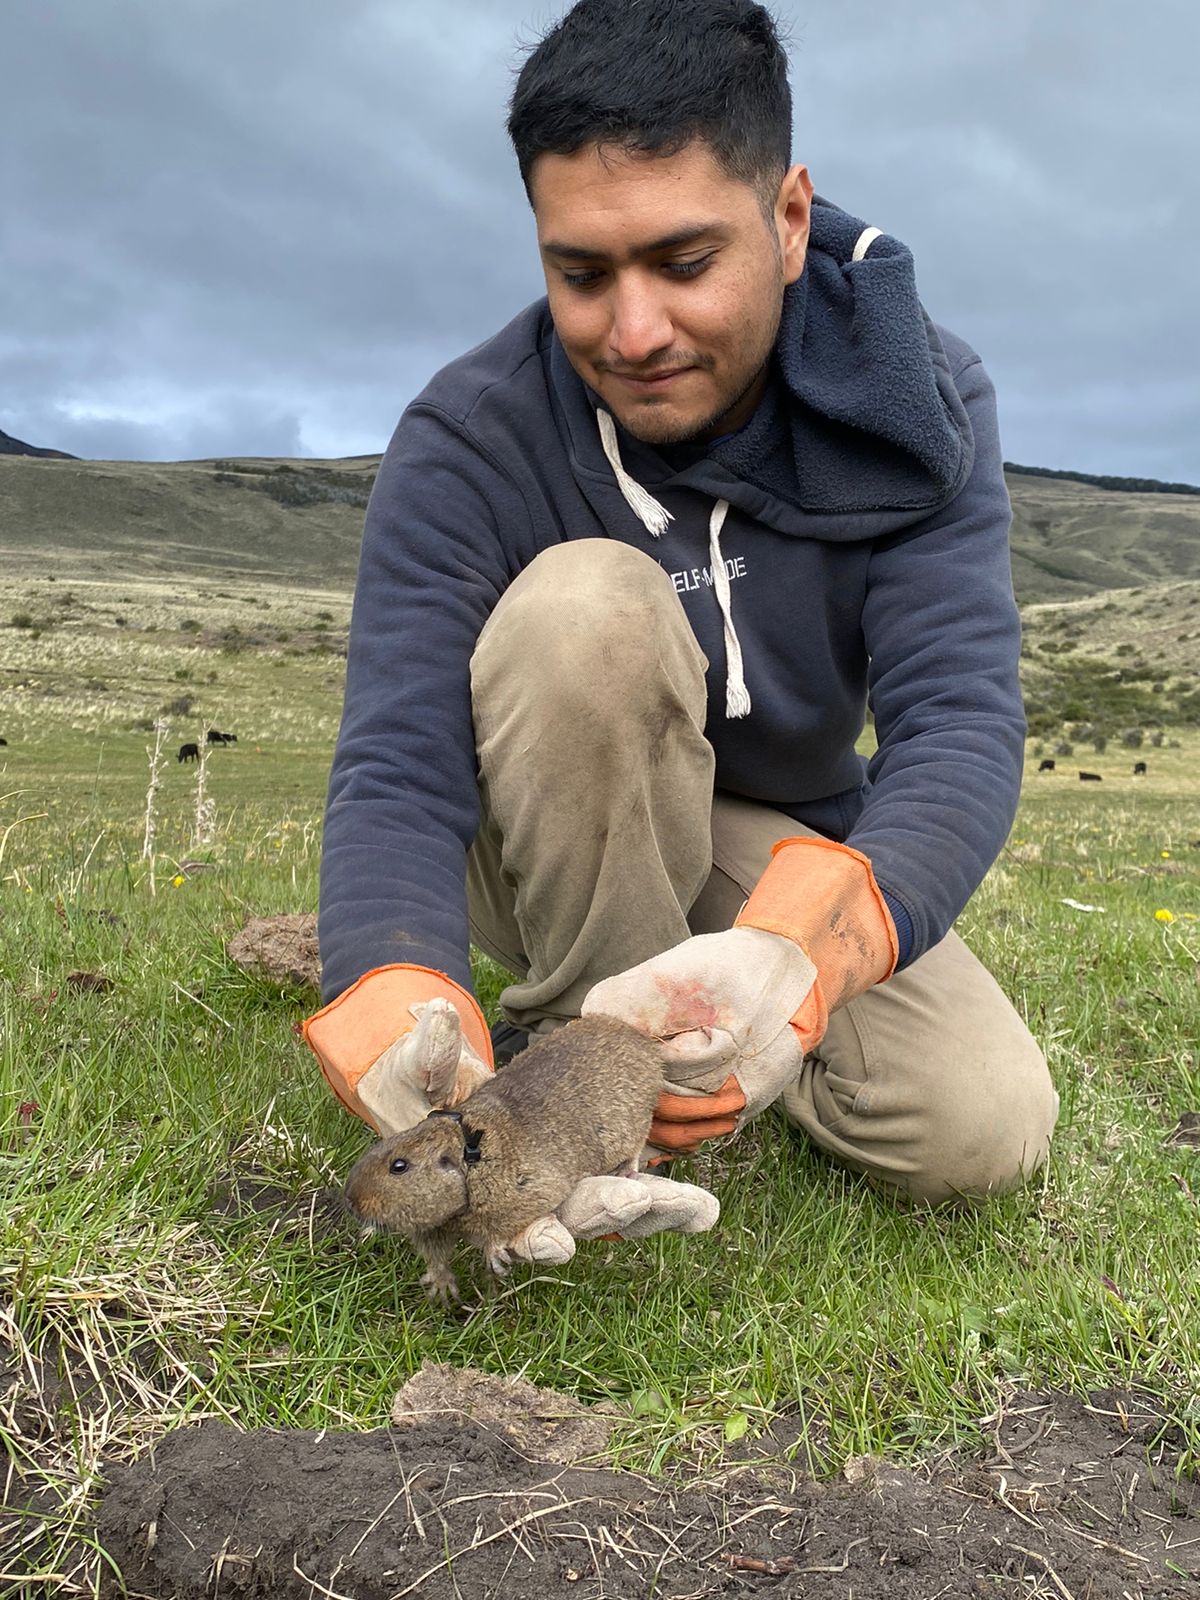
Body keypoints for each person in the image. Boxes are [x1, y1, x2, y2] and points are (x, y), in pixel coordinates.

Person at [304, 0, 1059, 1263]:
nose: (633, 332)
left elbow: (962, 724)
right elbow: (399, 763)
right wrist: (395, 980)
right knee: (587, 605)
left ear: (789, 216)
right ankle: (582, 1095)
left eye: (684, 261)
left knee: (979, 1124)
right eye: (580, 275)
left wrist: (798, 949)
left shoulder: (921, 401)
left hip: (771, 840)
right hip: (542, 814)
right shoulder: (465, 437)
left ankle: (699, 1045)